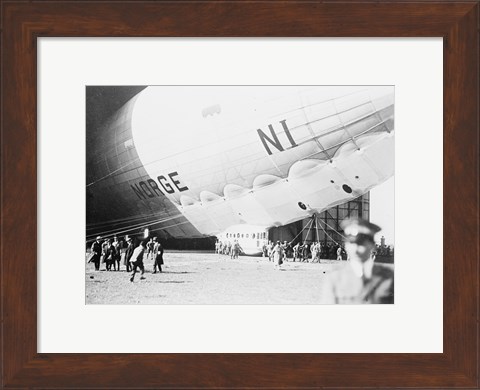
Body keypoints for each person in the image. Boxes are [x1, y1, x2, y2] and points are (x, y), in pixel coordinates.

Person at [321, 218, 394, 304]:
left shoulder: (388, 277)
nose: (355, 250)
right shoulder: (335, 277)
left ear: (372, 246)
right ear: (346, 245)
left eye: (361, 244)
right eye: (351, 243)